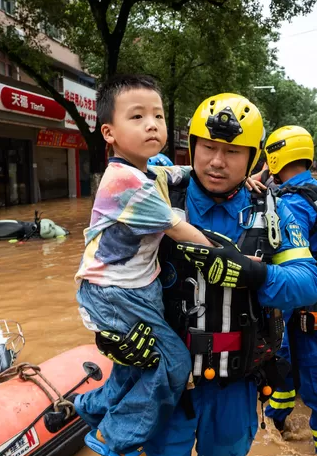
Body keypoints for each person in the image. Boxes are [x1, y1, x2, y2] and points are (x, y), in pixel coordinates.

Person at [92, 93, 317, 456]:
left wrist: (255, 274)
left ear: (253, 157)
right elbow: (103, 270)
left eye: (232, 152)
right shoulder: (155, 191)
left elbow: (308, 283)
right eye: (208, 147)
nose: (217, 162)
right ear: (192, 145)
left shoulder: (272, 211)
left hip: (235, 386)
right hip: (166, 381)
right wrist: (111, 336)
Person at [73, 74, 216, 456]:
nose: (152, 124)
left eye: (158, 116)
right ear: (109, 132)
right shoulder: (125, 181)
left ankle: (91, 407)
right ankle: (113, 437)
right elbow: (180, 229)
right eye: (137, 117)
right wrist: (234, 260)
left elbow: (177, 173)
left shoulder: (148, 170)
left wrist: (243, 174)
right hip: (115, 290)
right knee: (173, 362)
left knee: (136, 363)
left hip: (138, 285)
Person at [261, 126, 317, 456]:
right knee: (288, 364)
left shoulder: (291, 202)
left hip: (302, 305)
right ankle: (275, 417)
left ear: (275, 155)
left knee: (314, 382)